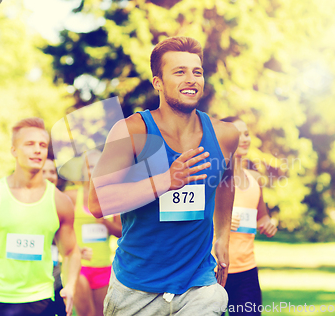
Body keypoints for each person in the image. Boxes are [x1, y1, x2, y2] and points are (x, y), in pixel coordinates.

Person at [88, 36, 240, 315]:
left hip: (198, 287)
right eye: (179, 72)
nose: (191, 79)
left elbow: (227, 180)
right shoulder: (132, 131)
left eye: (197, 72)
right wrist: (165, 181)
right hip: (136, 290)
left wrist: (222, 237)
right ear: (157, 82)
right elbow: (97, 203)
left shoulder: (225, 134)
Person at [0, 117, 81, 316]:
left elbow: (72, 251)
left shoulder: (60, 202)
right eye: (29, 144)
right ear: (14, 150)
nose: (38, 150)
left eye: (42, 145)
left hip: (42, 300)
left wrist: (71, 285)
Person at [219, 116, 278, 316]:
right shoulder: (210, 178)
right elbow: (193, 218)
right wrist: (219, 220)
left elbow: (262, 216)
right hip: (212, 271)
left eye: (246, 133)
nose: (244, 139)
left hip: (246, 273)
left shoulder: (255, 180)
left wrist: (268, 223)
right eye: (238, 134)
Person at [64, 150, 122, 316]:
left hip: (104, 266)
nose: (94, 170)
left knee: (101, 314)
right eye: (90, 166)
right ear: (84, 170)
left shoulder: (113, 197)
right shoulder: (72, 196)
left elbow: (121, 232)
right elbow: (58, 230)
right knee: (86, 314)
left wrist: (105, 222)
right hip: (80, 266)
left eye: (99, 166)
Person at [41, 154, 67, 316]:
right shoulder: (25, 202)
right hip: (30, 285)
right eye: (44, 171)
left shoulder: (62, 203)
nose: (49, 176)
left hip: (55, 281)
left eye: (52, 172)